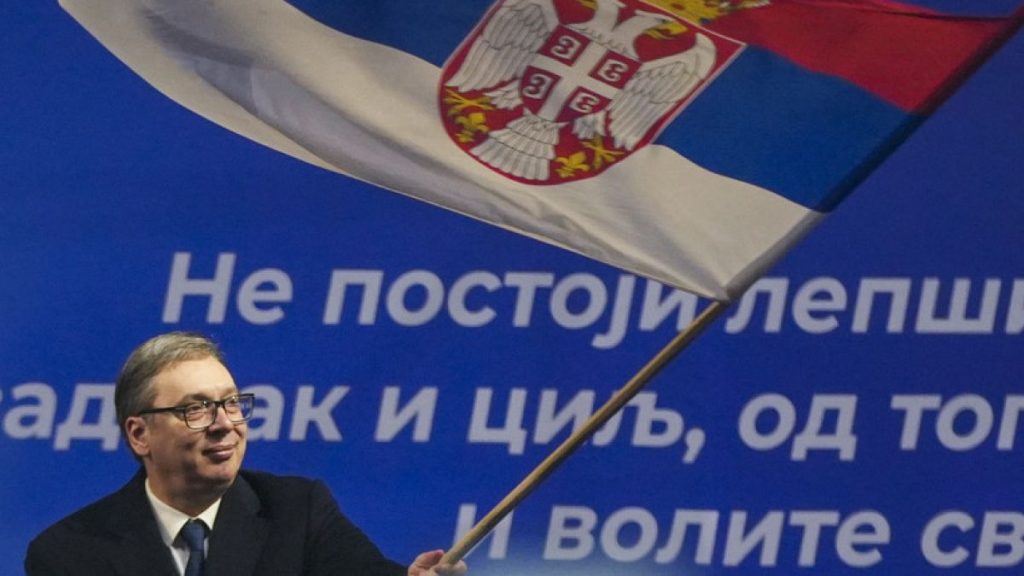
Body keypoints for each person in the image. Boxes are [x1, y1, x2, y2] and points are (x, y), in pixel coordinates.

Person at [25, 332, 468, 576]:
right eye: (196, 409)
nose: (225, 423)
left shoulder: (297, 511)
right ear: (140, 434)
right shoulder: (68, 554)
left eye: (232, 403)